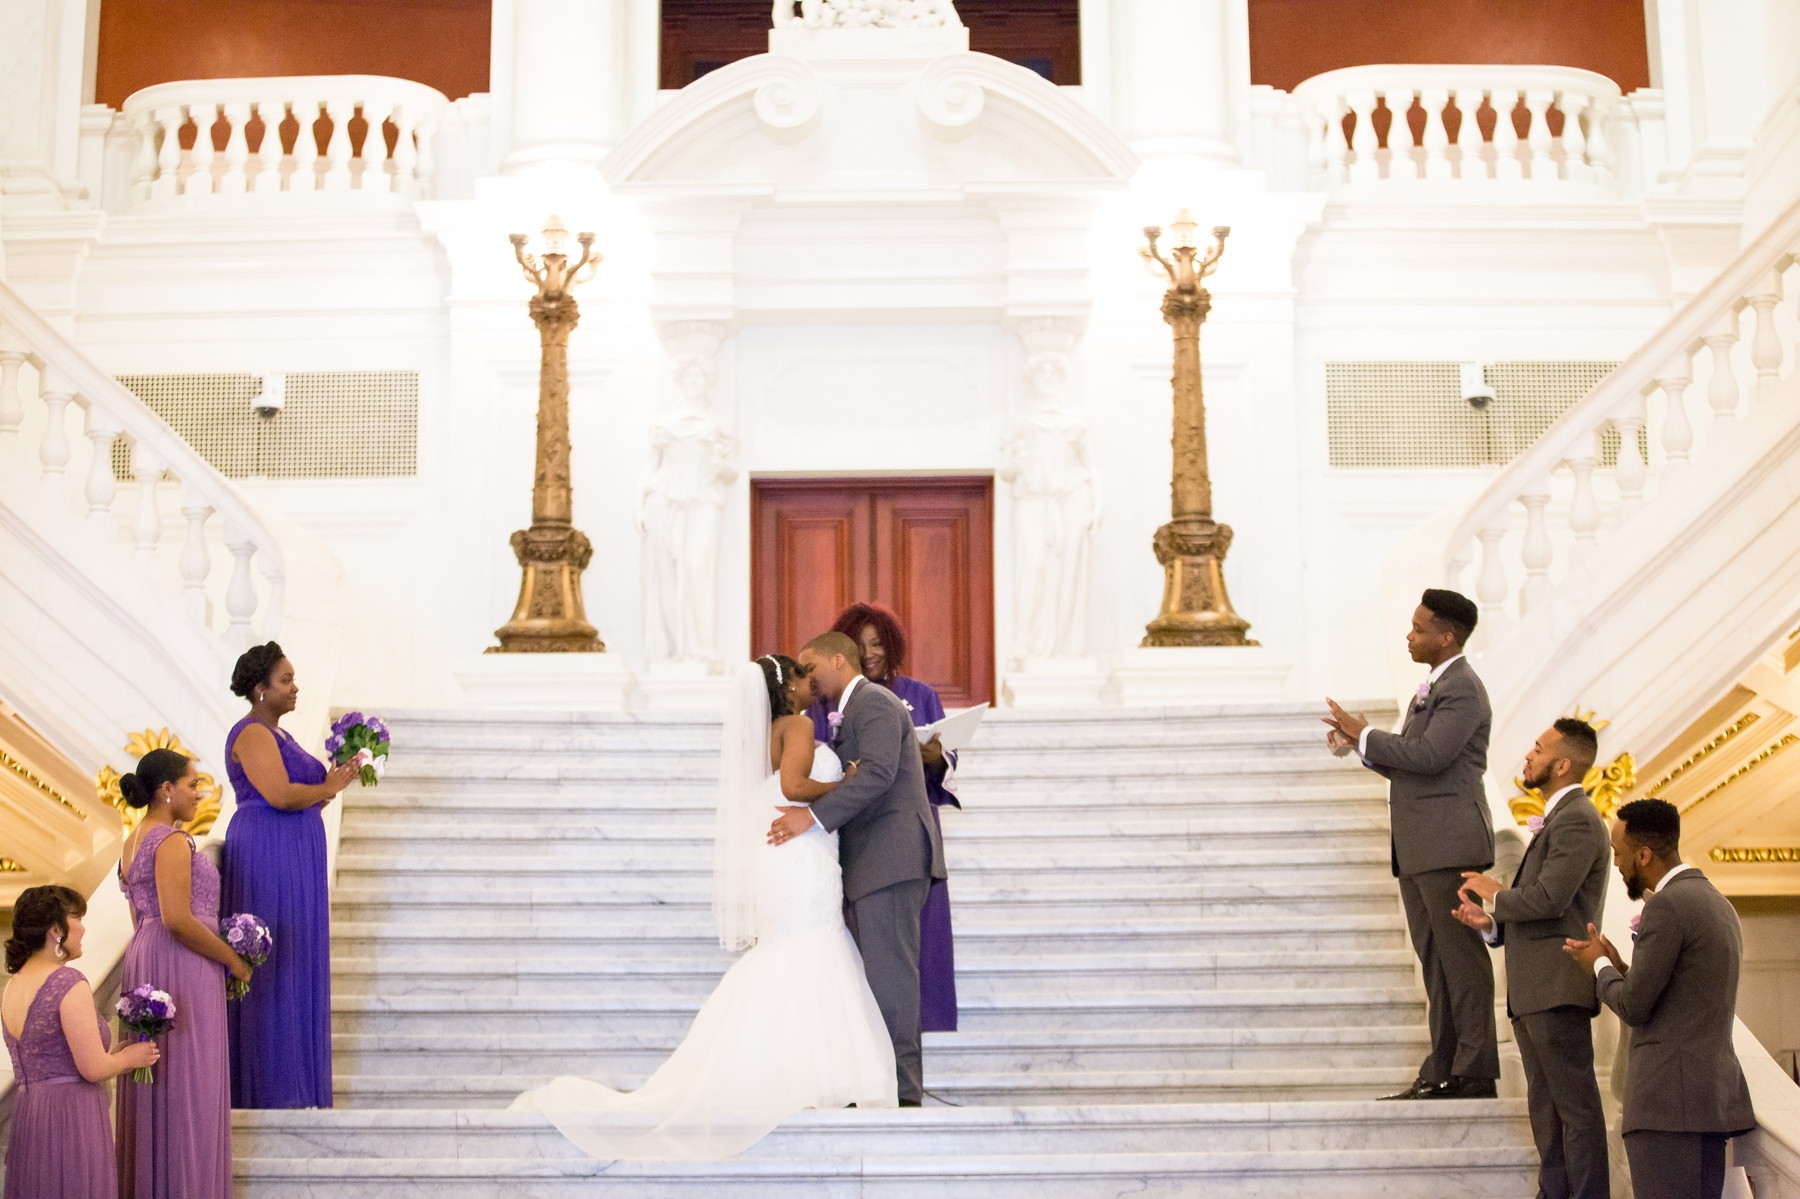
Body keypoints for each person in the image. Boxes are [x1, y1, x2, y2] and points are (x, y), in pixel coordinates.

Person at [513, 655, 895, 1158]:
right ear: (791, 687)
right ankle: (809, 1079)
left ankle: (784, 1074)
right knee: (810, 947)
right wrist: (846, 783)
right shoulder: (799, 725)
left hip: (784, 857)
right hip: (800, 856)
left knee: (792, 950)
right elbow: (793, 788)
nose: (810, 683)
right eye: (803, 676)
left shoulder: (763, 734)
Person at [1325, 587, 1498, 1100]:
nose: (1410, 634)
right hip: (1424, 847)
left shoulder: (1463, 688)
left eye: (1420, 628)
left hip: (1449, 845)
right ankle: (1442, 1066)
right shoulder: (1435, 686)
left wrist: (1367, 732)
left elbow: (1429, 756)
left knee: (1460, 963)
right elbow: (1414, 762)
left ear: (1447, 637)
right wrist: (1356, 744)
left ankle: (1475, 1070)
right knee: (1436, 963)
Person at [772, 631, 947, 1107]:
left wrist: (809, 817)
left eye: (810, 667)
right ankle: (886, 1087)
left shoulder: (873, 703)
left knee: (892, 984)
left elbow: (876, 775)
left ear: (837, 661)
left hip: (891, 861)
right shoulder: (857, 709)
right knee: (879, 983)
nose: (807, 678)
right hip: (875, 863)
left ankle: (905, 1097)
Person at [1564, 800, 1755, 1199]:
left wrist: (1599, 967)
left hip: (1667, 1108)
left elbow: (1635, 1007)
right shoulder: (1719, 904)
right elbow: (1682, 999)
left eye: (1618, 852)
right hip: (1709, 1103)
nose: (1615, 863)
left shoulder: (1666, 905)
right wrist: (1620, 967)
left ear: (1644, 854)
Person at [1453, 719, 1611, 1199]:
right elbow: (1540, 906)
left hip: (1557, 985)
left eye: (1538, 749)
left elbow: (1551, 899)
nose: (1528, 755)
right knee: (1546, 1110)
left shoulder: (1579, 818)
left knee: (1576, 1111)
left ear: (1562, 764)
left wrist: (1498, 895)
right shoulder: (1560, 820)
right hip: (1535, 988)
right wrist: (1493, 925)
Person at [808, 601, 960, 1032]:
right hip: (851, 836)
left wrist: (933, 758)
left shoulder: (920, 695)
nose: (870, 652)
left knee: (906, 958)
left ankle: (900, 1068)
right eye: (860, 645)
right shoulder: (824, 704)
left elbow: (947, 766)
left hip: (901, 837)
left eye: (878, 643)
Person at [220, 640, 357, 1108]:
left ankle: (296, 1083)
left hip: (294, 851)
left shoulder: (279, 734)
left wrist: (330, 785)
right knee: (275, 963)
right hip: (269, 852)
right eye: (286, 680)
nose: (295, 687)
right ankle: (271, 1086)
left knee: (297, 960)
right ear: (260, 689)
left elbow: (306, 795)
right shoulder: (252, 732)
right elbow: (278, 794)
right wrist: (328, 785)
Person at [116, 747, 250, 1199]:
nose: (199, 792)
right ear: (166, 790)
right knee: (190, 1087)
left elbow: (143, 917)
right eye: (193, 784)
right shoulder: (170, 840)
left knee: (164, 1082)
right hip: (182, 964)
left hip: (149, 958)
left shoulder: (133, 839)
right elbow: (177, 918)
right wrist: (232, 959)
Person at [3, 885, 158, 1198]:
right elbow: (92, 1069)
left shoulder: (13, 985)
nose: (84, 927)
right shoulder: (67, 981)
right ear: (56, 930)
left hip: (31, 1117)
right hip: (71, 1118)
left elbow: (61, 1057)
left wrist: (112, 1055)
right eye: (77, 917)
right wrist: (134, 1057)